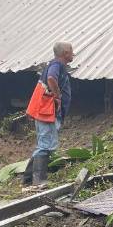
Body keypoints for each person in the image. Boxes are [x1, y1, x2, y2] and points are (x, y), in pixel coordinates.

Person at [23, 42, 74, 185]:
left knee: (43, 144)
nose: (73, 54)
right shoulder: (56, 66)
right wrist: (57, 96)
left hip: (45, 111)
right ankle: (39, 180)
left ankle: (27, 179)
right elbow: (51, 78)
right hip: (47, 111)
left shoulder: (55, 65)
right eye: (71, 51)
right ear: (65, 53)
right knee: (45, 145)